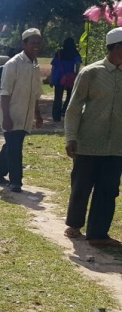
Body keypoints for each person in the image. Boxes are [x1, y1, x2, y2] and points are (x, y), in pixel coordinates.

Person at [63, 27, 122, 247]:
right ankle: (75, 224)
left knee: (108, 189)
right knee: (81, 185)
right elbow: (74, 107)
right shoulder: (91, 72)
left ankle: (98, 233)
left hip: (117, 144)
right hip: (89, 141)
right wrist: (71, 137)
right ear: (116, 47)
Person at [0, 29, 44, 192]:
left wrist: (37, 114)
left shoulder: (35, 65)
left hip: (25, 115)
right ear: (23, 44)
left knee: (12, 145)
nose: (36, 46)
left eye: (38, 43)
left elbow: (35, 94)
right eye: (32, 43)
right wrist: (6, 117)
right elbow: (4, 93)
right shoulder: (13, 64)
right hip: (11, 112)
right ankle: (16, 181)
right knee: (15, 148)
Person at [50, 37, 83, 122]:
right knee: (70, 96)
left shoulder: (59, 53)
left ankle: (56, 116)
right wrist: (76, 74)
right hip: (70, 78)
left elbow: (53, 67)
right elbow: (78, 63)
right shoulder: (75, 53)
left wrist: (51, 78)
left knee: (57, 97)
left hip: (58, 78)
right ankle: (64, 110)